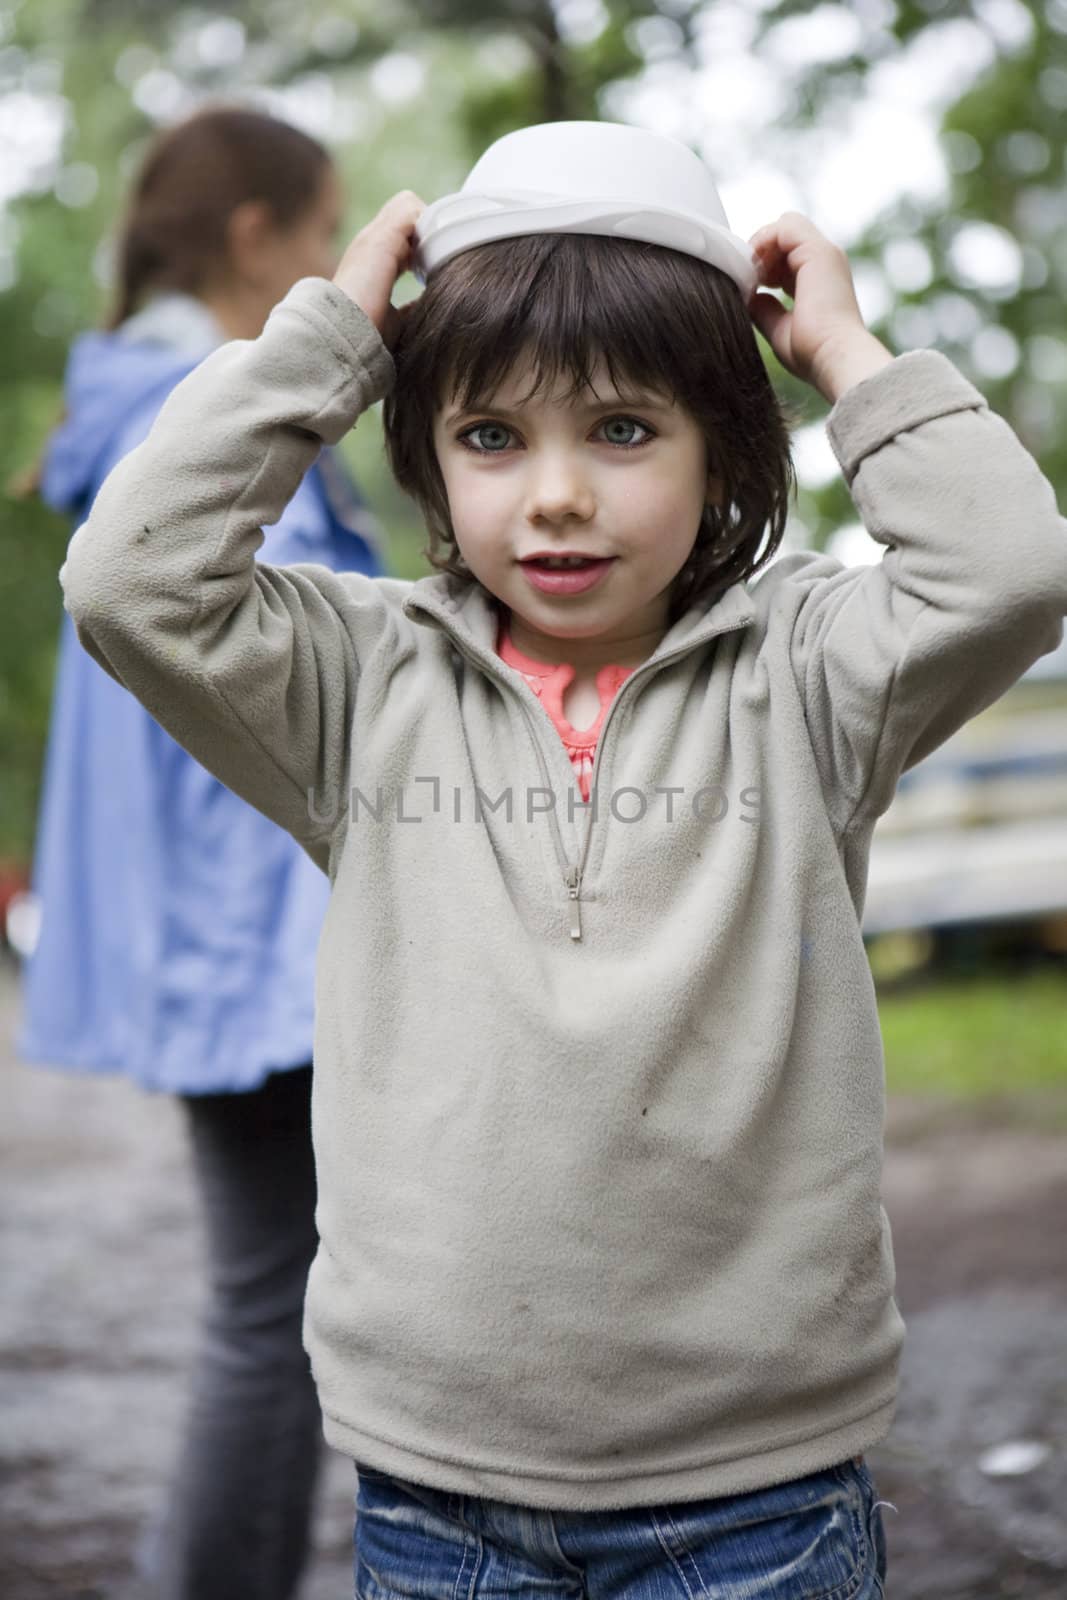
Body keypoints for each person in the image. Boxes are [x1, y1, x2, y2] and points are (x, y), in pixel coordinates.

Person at [56, 118, 1067, 1598]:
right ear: (424, 450)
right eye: (490, 436)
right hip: (436, 1492)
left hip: (760, 1494)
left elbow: (1013, 569)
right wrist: (331, 341)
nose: (555, 497)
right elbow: (130, 577)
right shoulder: (357, 684)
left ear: (724, 444)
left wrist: (849, 355)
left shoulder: (807, 674)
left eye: (623, 430)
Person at [16, 105, 386, 1598]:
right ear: (256, 241)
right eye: (319, 238)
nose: (325, 272)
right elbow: (308, 660)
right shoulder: (218, 413)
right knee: (282, 1310)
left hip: (215, 932)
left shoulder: (140, 412)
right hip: (262, 937)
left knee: (272, 1302)